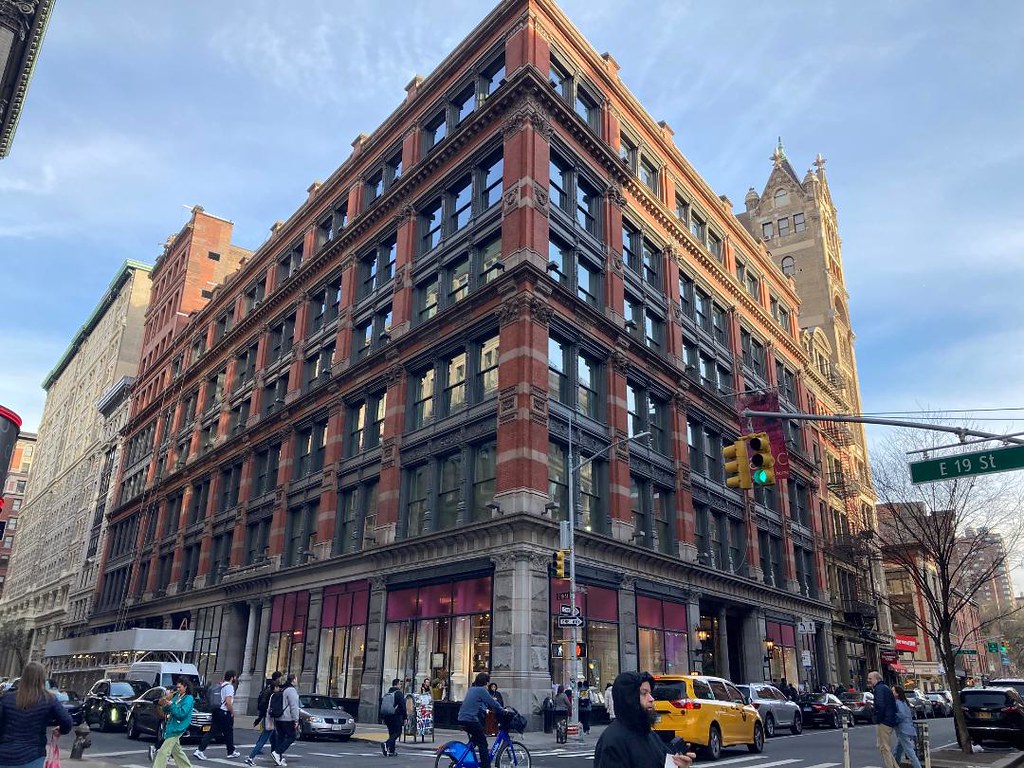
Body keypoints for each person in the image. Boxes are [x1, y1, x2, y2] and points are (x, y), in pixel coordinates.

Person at [594, 671, 695, 768]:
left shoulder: (649, 735)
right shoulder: (613, 740)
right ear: (629, 698)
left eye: (650, 693)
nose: (651, 698)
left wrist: (678, 765)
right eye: (644, 693)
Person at [0, 661, 74, 768]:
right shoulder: (49, 699)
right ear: (42, 678)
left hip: (4, 755)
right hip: (33, 755)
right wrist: (61, 730)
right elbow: (67, 721)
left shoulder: (7, 699)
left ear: (23, 677)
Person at [456, 672, 504, 768]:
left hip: (461, 718)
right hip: (470, 719)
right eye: (487, 682)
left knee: (476, 737)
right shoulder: (482, 690)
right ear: (485, 682)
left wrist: (484, 710)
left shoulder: (472, 689)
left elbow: (476, 704)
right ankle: (486, 766)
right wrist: (503, 710)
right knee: (483, 742)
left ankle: (466, 755)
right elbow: (492, 702)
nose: (487, 684)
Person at [194, 670, 239, 760]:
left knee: (212, 731)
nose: (236, 678)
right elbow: (228, 702)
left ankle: (200, 750)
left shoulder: (221, 685)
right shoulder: (229, 687)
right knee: (228, 732)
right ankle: (231, 752)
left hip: (216, 711)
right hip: (224, 712)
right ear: (232, 677)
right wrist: (232, 712)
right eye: (235, 677)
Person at [152, 678, 195, 768]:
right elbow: (166, 709)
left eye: (180, 687)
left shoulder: (188, 699)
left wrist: (171, 705)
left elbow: (182, 714)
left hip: (178, 727)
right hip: (172, 726)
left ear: (185, 687)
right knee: (177, 752)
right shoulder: (177, 696)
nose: (178, 689)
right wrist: (165, 702)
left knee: (163, 752)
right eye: (177, 687)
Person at [867, 671, 901, 768]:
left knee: (884, 748)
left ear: (877, 679)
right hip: (888, 720)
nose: (868, 680)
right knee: (885, 747)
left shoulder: (879, 689)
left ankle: (890, 766)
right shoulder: (884, 688)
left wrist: (878, 719)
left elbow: (881, 706)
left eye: (870, 678)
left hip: (885, 721)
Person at [245, 677, 281, 766]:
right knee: (263, 740)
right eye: (277, 687)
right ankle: (251, 757)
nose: (279, 688)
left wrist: (259, 719)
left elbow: (263, 708)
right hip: (270, 720)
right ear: (275, 687)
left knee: (273, 740)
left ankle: (277, 758)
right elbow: (273, 710)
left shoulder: (268, 694)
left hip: (267, 719)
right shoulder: (273, 696)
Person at [270, 674, 299, 767]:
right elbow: (294, 706)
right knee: (292, 736)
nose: (297, 681)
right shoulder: (291, 690)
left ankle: (278, 759)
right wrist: (296, 720)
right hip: (287, 718)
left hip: (278, 717)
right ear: (293, 680)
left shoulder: (283, 689)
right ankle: (277, 753)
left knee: (281, 737)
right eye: (296, 679)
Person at [892, 686, 922, 768]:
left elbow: (901, 715)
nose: (892, 693)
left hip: (903, 729)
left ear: (897, 693)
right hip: (908, 728)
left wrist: (893, 720)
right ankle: (894, 765)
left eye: (893, 691)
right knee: (898, 750)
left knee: (910, 752)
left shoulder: (897, 702)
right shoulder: (904, 702)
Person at [379, 678, 406, 758]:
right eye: (400, 684)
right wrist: (405, 717)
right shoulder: (398, 693)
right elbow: (402, 707)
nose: (400, 685)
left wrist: (382, 717)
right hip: (395, 716)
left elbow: (383, 706)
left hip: (387, 716)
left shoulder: (387, 693)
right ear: (397, 684)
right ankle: (386, 744)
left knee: (391, 733)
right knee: (398, 732)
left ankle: (391, 751)